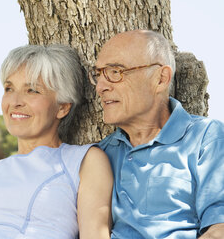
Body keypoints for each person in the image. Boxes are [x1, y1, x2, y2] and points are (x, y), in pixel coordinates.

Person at [0, 44, 113, 239]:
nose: (15, 101)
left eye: (32, 90)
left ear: (63, 107)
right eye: (9, 88)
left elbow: (95, 234)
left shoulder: (82, 161)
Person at [88, 29, 224, 238]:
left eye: (115, 72)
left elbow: (219, 228)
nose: (100, 87)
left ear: (161, 79)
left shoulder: (206, 137)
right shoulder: (100, 155)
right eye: (98, 74)